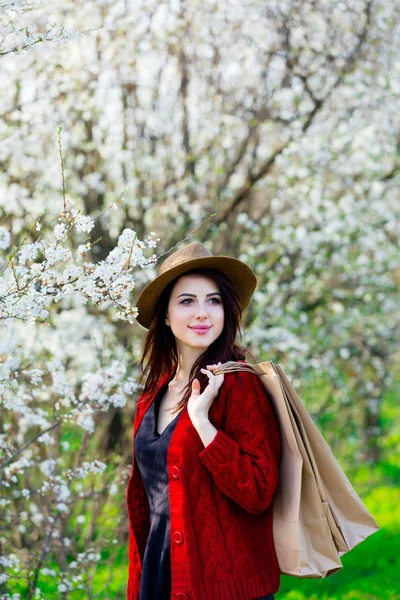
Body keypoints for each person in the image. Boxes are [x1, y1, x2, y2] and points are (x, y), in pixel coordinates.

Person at [126, 241, 281, 600]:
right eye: (187, 301)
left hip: (224, 588)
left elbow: (258, 491)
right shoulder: (151, 398)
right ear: (165, 315)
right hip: (161, 579)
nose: (202, 313)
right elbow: (148, 505)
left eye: (213, 300)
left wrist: (203, 424)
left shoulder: (239, 384)